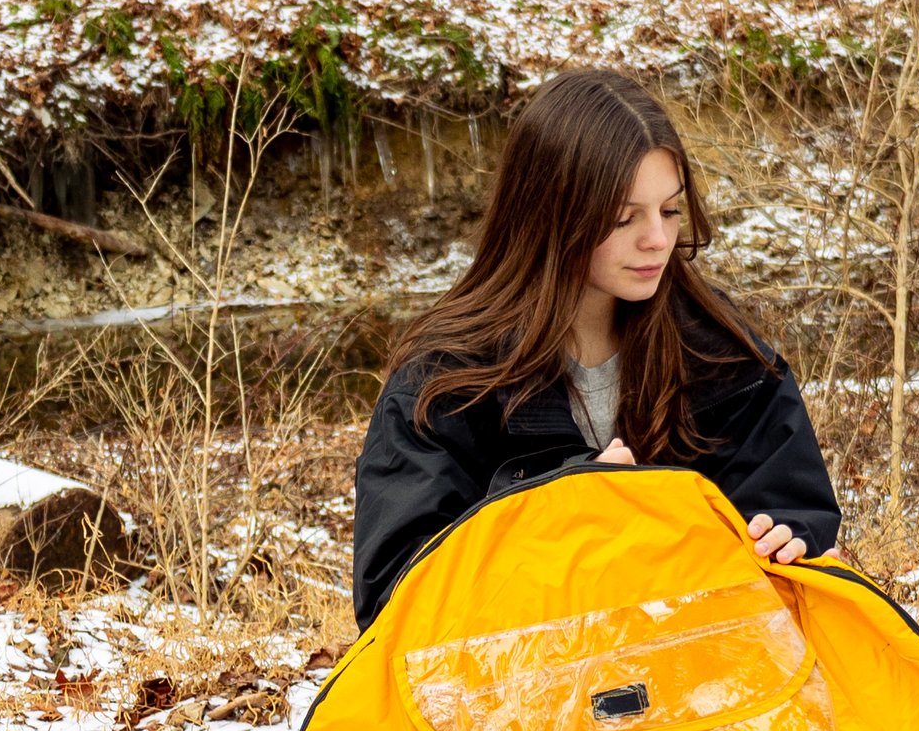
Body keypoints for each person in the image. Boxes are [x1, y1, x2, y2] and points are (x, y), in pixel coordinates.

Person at [352, 66, 841, 625]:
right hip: (524, 695)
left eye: (670, 210)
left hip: (701, 682)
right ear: (548, 214)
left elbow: (791, 501)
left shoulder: (721, 354)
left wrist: (788, 535)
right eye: (622, 217)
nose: (657, 239)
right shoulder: (445, 381)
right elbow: (395, 592)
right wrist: (560, 509)